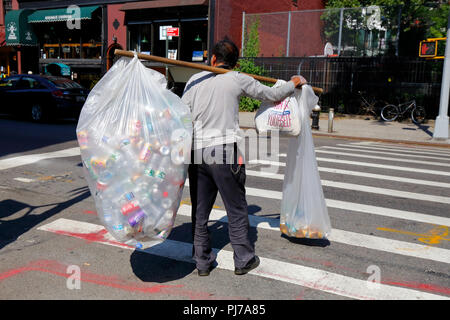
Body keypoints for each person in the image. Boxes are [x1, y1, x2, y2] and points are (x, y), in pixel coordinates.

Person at [181, 38, 306, 276]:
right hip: (224, 151)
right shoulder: (238, 79)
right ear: (234, 62)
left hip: (196, 152)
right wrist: (293, 83)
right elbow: (271, 94)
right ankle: (243, 259)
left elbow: (180, 113)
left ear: (214, 59)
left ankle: (202, 262)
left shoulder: (194, 80)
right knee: (236, 208)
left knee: (200, 211)